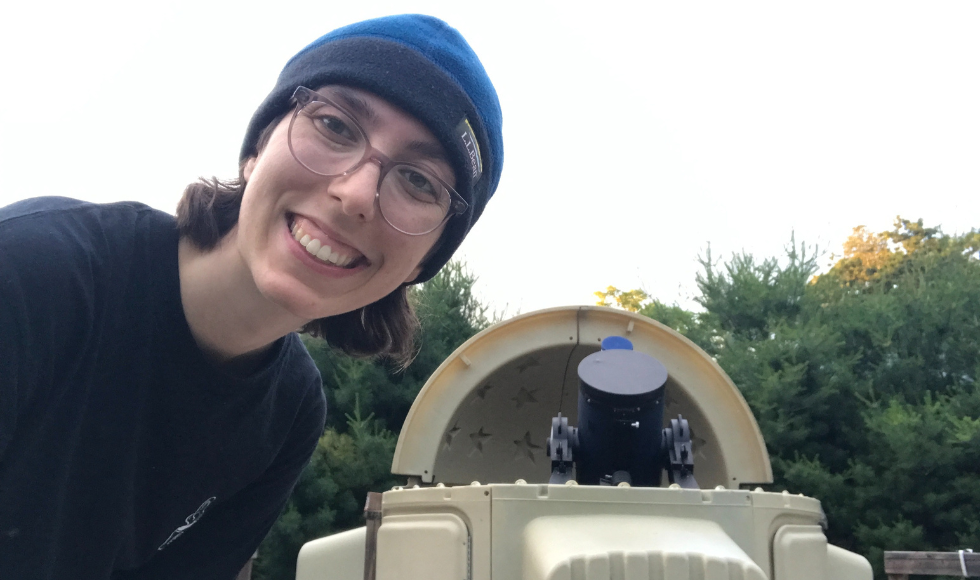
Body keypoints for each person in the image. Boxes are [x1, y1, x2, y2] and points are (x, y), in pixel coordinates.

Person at [0, 14, 503, 579]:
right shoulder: (32, 272)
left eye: (419, 181)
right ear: (258, 148)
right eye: (335, 125)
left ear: (425, 260)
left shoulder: (290, 411)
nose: (355, 193)